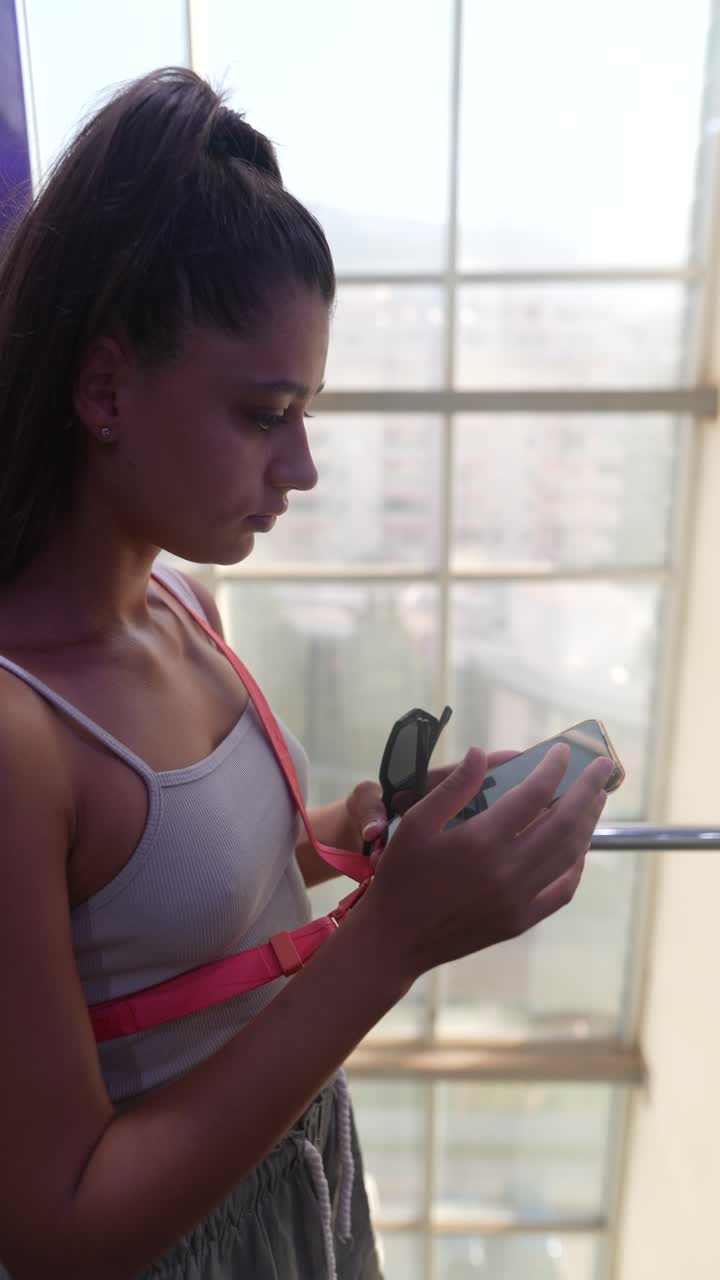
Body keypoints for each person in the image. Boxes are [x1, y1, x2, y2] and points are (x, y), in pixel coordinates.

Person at [0, 67, 613, 1280]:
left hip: (295, 1177)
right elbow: (58, 1223)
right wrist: (392, 937)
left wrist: (364, 828)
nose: (303, 468)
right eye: (262, 413)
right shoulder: (20, 735)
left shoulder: (185, 601)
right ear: (104, 386)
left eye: (307, 411)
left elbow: (177, 887)